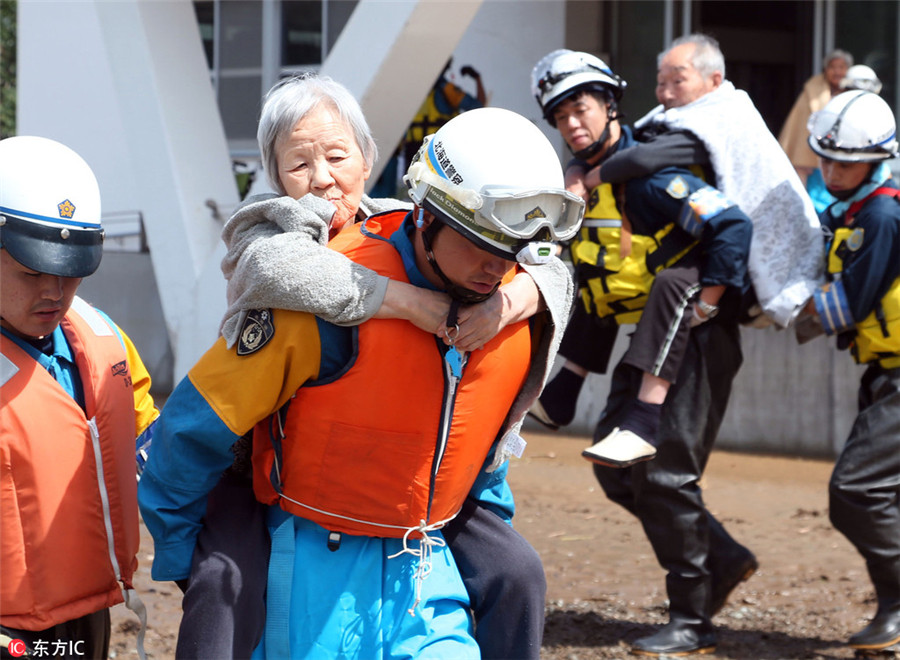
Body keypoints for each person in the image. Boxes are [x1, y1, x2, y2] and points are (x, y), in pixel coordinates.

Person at [137, 106, 582, 658]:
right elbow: (187, 431)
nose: (496, 268)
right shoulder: (305, 291)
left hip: (426, 568)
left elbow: (481, 445)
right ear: (427, 216)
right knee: (219, 589)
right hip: (308, 571)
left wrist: (518, 296)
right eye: (479, 244)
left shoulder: (511, 302)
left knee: (519, 572)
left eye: (510, 251)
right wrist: (183, 556)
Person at [530, 35, 822, 656]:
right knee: (620, 472)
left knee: (664, 474)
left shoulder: (652, 175)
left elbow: (730, 227)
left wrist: (713, 302)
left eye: (582, 108)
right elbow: (603, 285)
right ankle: (723, 558)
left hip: (696, 337)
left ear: (610, 106)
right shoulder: (582, 192)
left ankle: (691, 616)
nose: (573, 124)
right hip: (650, 341)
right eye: (561, 116)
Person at [0, 136, 158, 659]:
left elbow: (146, 436)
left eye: (70, 272)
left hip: (90, 609)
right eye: (31, 271)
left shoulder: (99, 335)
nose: (53, 290)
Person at [804, 89, 900, 655]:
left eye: (846, 162)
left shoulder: (883, 213)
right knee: (880, 491)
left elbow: (853, 303)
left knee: (855, 491)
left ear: (876, 159)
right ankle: (892, 608)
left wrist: (787, 310)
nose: (833, 170)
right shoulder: (854, 207)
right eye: (827, 158)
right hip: (883, 372)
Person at [779, 49, 854, 212]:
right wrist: (802, 157)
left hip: (844, 156)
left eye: (842, 67)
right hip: (815, 163)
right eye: (833, 67)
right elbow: (800, 126)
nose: (837, 72)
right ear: (825, 70)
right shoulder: (812, 91)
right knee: (818, 205)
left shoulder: (853, 91)